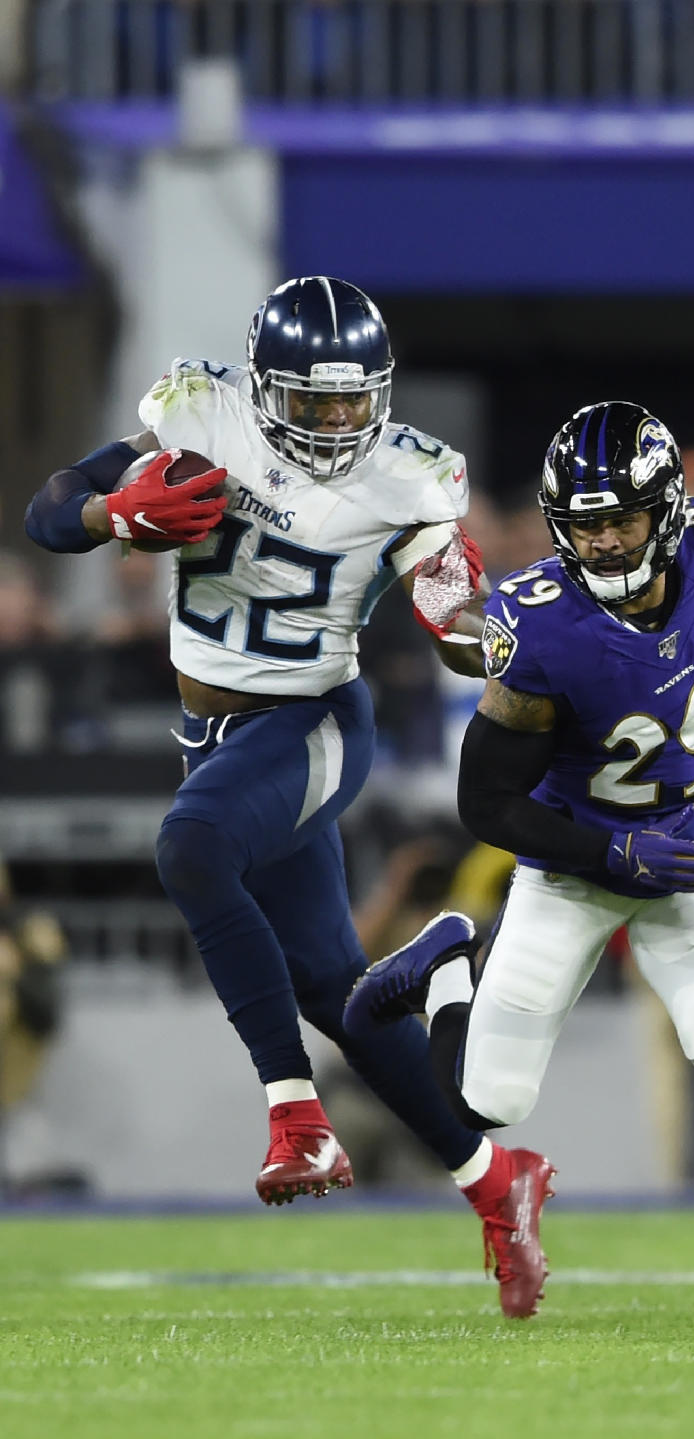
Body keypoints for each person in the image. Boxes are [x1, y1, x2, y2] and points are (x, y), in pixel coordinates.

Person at [24, 275, 554, 1320]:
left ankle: (295, 1112)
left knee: (191, 848)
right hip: (214, 731)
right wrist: (107, 508)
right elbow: (50, 513)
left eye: (354, 401)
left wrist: (462, 617)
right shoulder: (201, 410)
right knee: (337, 989)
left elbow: (445, 593)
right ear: (267, 388)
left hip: (311, 720)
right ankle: (499, 1182)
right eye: (313, 402)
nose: (335, 422)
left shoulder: (408, 474)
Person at [344, 400, 694, 1327]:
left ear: (668, 509)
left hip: (689, 855)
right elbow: (484, 803)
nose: (607, 541)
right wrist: (614, 848)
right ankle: (449, 969)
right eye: (586, 524)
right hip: (574, 867)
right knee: (480, 1106)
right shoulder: (540, 625)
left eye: (623, 518)